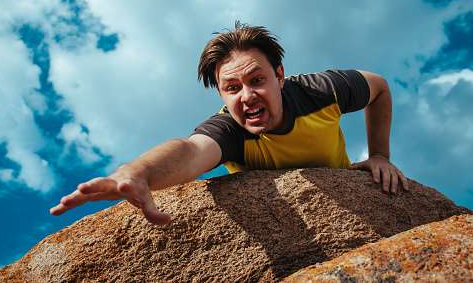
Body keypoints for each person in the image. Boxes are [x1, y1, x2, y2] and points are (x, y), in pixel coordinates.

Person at [50, 22, 409, 225]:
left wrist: (379, 154)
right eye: (232, 88)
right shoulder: (230, 129)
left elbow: (378, 86)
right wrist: (136, 173)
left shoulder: (319, 91)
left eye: (257, 80)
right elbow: (190, 152)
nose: (247, 96)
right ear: (221, 94)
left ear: (280, 75)